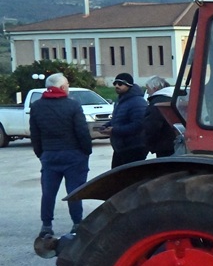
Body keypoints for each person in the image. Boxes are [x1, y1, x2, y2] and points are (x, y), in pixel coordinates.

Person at [30, 73, 92, 256]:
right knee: (74, 192)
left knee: (48, 192)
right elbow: (82, 131)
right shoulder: (72, 105)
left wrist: (41, 153)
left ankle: (46, 226)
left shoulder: (37, 106)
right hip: (73, 155)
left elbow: (35, 134)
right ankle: (77, 224)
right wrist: (86, 150)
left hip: (50, 154)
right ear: (63, 88)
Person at [103, 72, 148, 168]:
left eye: (120, 84)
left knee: (130, 178)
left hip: (134, 147)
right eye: (115, 84)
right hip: (121, 147)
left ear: (129, 85)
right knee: (116, 176)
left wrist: (114, 130)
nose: (116, 86)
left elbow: (139, 125)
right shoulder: (120, 101)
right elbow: (118, 119)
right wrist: (107, 125)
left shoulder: (138, 102)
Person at [142, 75, 178, 158]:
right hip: (177, 143)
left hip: (163, 146)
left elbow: (152, 127)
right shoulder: (175, 98)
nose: (147, 92)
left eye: (148, 89)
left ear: (155, 88)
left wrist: (148, 144)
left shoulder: (157, 103)